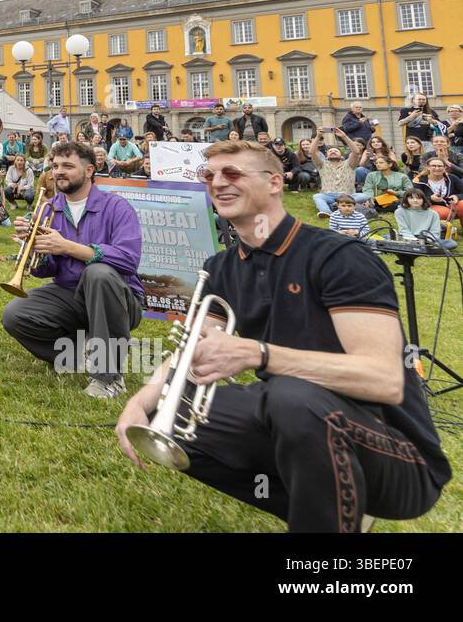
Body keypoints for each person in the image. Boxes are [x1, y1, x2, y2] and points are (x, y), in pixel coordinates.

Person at [115, 140, 451, 532]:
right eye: (210, 176)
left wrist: (260, 354)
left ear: (275, 182)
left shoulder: (339, 256)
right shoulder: (221, 267)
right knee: (165, 415)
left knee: (291, 396)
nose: (218, 183)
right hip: (295, 416)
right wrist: (141, 401)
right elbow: (189, 350)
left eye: (233, 173)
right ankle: (337, 508)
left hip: (399, 455)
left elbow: (385, 379)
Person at [1, 141, 144, 399]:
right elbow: (47, 271)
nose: (58, 172)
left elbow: (128, 260)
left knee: (98, 273)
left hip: (119, 298)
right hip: (70, 293)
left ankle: (109, 377)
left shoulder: (116, 206)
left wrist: (68, 247)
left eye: (68, 166)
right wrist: (34, 248)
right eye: (55, 166)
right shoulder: (51, 208)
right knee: (14, 314)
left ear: (89, 171)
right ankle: (79, 355)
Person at [311, 128, 370, 216]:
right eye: (330, 151)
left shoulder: (349, 164)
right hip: (328, 195)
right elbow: (312, 152)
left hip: (347, 195)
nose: (333, 152)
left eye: (336, 151)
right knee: (317, 196)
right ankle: (328, 213)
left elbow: (356, 152)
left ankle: (336, 206)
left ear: (341, 156)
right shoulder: (322, 164)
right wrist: (318, 136)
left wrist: (344, 136)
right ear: (327, 155)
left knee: (364, 196)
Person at [414, 157, 462, 222]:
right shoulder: (419, 181)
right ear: (428, 167)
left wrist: (457, 196)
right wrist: (430, 198)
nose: (437, 168)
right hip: (432, 205)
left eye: (440, 166)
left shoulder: (452, 178)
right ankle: (442, 230)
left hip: (452, 204)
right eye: (433, 166)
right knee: (440, 213)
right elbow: (414, 198)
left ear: (445, 168)